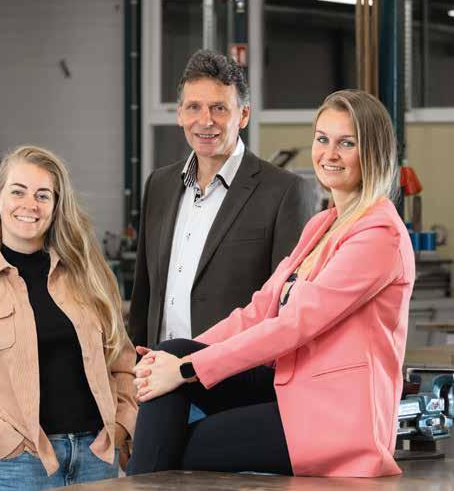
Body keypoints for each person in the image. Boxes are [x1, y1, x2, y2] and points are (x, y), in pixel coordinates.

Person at [127, 89, 415, 478]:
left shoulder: (380, 235)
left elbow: (294, 326)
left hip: (334, 415)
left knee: (175, 440)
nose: (329, 154)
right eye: (322, 139)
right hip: (291, 391)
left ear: (373, 153)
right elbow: (260, 309)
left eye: (347, 143)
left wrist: (187, 369)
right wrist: (175, 361)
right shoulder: (322, 225)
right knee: (171, 350)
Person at [0, 146, 137, 490]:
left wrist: (120, 427)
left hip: (95, 457)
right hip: (18, 465)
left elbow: (123, 360)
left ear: (56, 207)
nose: (30, 205)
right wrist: (2, 441)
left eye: (43, 195)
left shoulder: (90, 277)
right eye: (18, 192)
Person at [128, 49, 314, 349]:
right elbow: (144, 295)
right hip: (158, 369)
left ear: (244, 115)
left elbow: (286, 310)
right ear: (180, 114)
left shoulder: (284, 192)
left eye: (219, 108)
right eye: (194, 107)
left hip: (235, 375)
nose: (205, 121)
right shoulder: (159, 185)